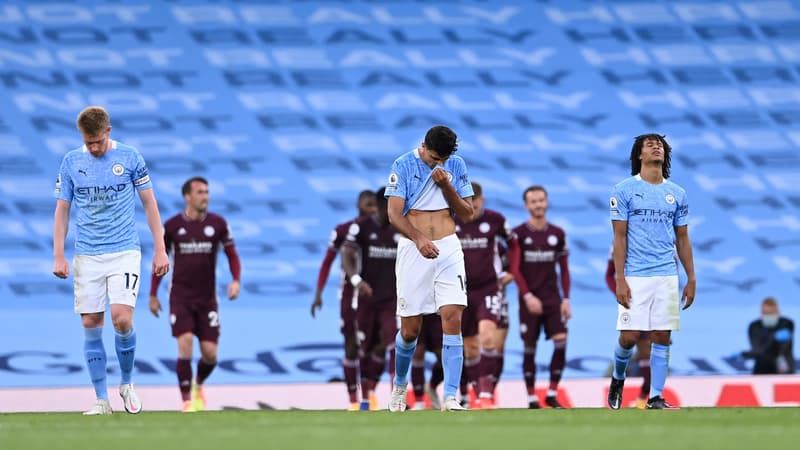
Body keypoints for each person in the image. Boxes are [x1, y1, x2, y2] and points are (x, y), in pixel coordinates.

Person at [52, 106, 170, 415]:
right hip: (87, 254)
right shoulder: (71, 162)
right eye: (88, 142)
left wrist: (160, 248)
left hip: (123, 251)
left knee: (121, 318)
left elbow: (149, 204)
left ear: (109, 131)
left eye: (97, 142)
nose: (93, 148)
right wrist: (59, 254)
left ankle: (127, 383)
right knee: (91, 323)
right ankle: (101, 399)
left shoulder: (129, 157)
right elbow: (63, 210)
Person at [385, 125, 474, 412]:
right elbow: (393, 215)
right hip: (414, 248)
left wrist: (446, 184)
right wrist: (419, 238)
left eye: (443, 160)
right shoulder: (403, 164)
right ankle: (400, 387)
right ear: (423, 146)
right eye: (435, 158)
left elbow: (467, 213)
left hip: (448, 246)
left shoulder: (454, 165)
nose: (439, 164)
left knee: (452, 317)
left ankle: (450, 396)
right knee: (410, 330)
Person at [607, 133, 696, 410]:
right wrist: (620, 278)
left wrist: (690, 278)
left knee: (662, 335)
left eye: (660, 144)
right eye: (650, 144)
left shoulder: (677, 194)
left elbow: (682, 239)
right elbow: (619, 238)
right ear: (639, 155)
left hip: (666, 273)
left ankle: (655, 396)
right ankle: (618, 376)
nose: (656, 147)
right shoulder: (623, 190)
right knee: (629, 337)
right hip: (635, 273)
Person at [149, 177, 241, 412]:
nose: (205, 197)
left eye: (207, 192)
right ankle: (187, 400)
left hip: (207, 299)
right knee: (185, 343)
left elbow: (232, 255)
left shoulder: (218, 224)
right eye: (200, 192)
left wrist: (235, 280)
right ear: (187, 196)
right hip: (180, 297)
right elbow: (161, 261)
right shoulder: (172, 227)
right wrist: (153, 293)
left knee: (210, 354)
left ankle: (198, 384)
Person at [455, 181, 521, 409]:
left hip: (488, 288)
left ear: (481, 200)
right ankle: (478, 393)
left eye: (473, 200)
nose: (469, 205)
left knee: (488, 337)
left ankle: (486, 394)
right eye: (465, 200)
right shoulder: (451, 220)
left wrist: (512, 271)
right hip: (460, 290)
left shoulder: (495, 220)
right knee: (470, 346)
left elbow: (514, 245)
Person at [310, 190, 377, 410]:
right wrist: (319, 293)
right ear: (358, 206)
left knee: (373, 346)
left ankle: (369, 395)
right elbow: (327, 262)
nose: (372, 209)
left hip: (374, 293)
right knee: (350, 344)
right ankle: (353, 401)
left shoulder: (383, 230)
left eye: (375, 206)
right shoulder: (342, 230)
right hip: (349, 294)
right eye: (368, 205)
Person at [512, 186, 571, 409]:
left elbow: (564, 270)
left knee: (561, 342)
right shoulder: (518, 234)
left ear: (546, 202)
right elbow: (515, 270)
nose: (537, 204)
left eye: (541, 200)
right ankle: (531, 397)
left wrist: (566, 299)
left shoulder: (557, 234)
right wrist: (527, 296)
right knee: (530, 347)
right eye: (533, 201)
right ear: (526, 206)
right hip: (529, 300)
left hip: (552, 298)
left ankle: (552, 392)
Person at [341, 187, 399, 411]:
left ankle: (397, 395)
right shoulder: (362, 227)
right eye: (390, 207)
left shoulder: (400, 227)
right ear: (381, 206)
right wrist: (356, 279)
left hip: (392, 299)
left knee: (394, 343)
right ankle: (363, 399)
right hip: (366, 298)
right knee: (364, 348)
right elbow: (346, 253)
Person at [605, 247, 652, 409]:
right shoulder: (620, 241)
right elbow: (609, 275)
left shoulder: (666, 237)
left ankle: (645, 398)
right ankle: (618, 378)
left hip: (654, 299)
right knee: (629, 338)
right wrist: (619, 291)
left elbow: (671, 271)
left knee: (648, 350)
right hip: (630, 300)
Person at [739, 297, 795, 374]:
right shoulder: (755, 326)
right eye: (766, 313)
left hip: (784, 369)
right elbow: (759, 349)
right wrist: (774, 337)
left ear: (778, 312)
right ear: (761, 313)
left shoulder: (787, 323)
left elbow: (782, 348)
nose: (769, 315)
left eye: (771, 312)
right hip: (762, 369)